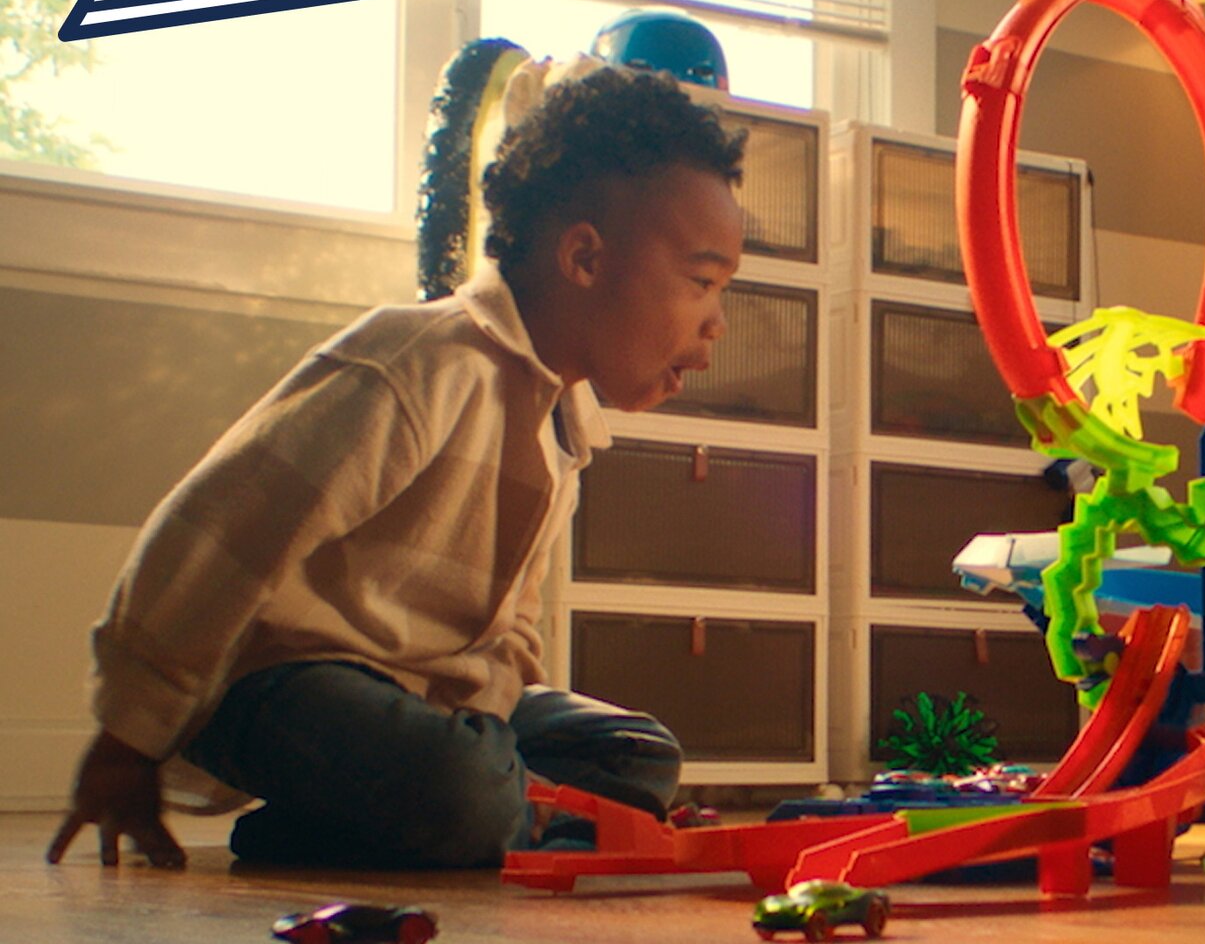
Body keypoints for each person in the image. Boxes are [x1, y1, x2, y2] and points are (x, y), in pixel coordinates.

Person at [46, 61, 745, 869]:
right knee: (467, 787)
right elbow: (210, 537)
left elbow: (511, 626)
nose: (717, 323)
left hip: (423, 698)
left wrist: (488, 725)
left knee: (634, 754)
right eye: (702, 283)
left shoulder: (564, 421)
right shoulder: (419, 364)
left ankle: (387, 826)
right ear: (584, 259)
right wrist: (125, 741)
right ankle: (466, 815)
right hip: (280, 689)